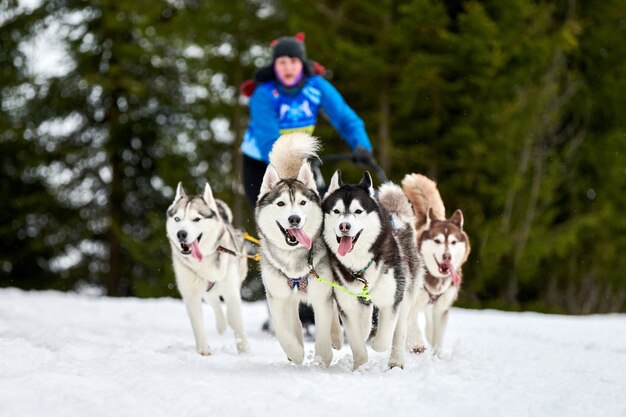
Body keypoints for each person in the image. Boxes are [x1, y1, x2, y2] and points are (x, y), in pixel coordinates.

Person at [240, 32, 375, 208]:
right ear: (274, 66)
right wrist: (290, 167)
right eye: (282, 62)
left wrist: (361, 145)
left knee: (316, 209)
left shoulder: (317, 87)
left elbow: (345, 118)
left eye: (293, 61)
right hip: (260, 163)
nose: (288, 68)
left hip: (298, 159)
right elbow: (267, 139)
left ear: (302, 64)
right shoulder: (264, 94)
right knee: (274, 216)